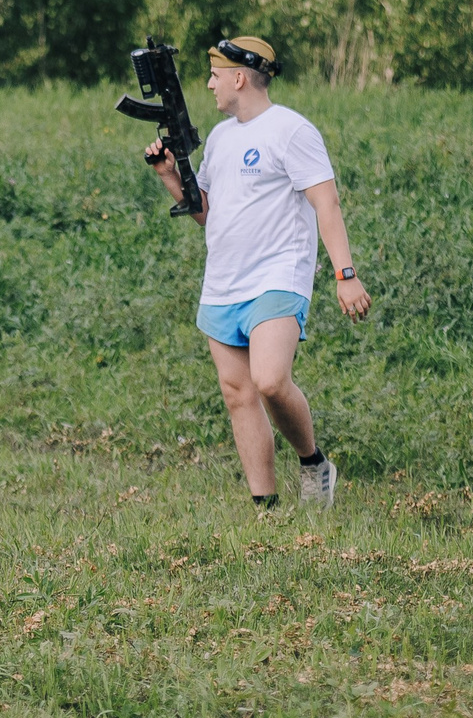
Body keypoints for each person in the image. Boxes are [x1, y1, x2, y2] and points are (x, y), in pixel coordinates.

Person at [145, 36, 371, 511]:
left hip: (277, 278)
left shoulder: (291, 131)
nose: (209, 84)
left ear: (239, 78)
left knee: (269, 380)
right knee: (237, 393)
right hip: (224, 281)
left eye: (215, 75)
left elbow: (325, 201)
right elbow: (206, 212)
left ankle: (313, 465)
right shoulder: (223, 137)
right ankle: (265, 510)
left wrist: (344, 273)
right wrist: (169, 175)